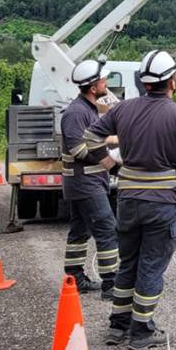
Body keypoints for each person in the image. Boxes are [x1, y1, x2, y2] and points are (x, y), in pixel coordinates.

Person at [83, 50, 176, 350]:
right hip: (163, 203)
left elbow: (90, 139)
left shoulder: (123, 110)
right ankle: (142, 331)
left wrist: (114, 167)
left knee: (128, 263)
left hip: (129, 200)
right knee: (151, 266)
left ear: (144, 83)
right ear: (172, 81)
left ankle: (117, 327)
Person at [60, 58, 120, 300]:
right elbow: (79, 150)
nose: (106, 82)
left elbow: (94, 142)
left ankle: (74, 277)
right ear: (93, 86)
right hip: (85, 184)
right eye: (103, 79)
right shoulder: (76, 113)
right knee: (107, 229)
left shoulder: (89, 108)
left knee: (79, 231)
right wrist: (110, 160)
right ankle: (111, 285)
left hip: (86, 183)